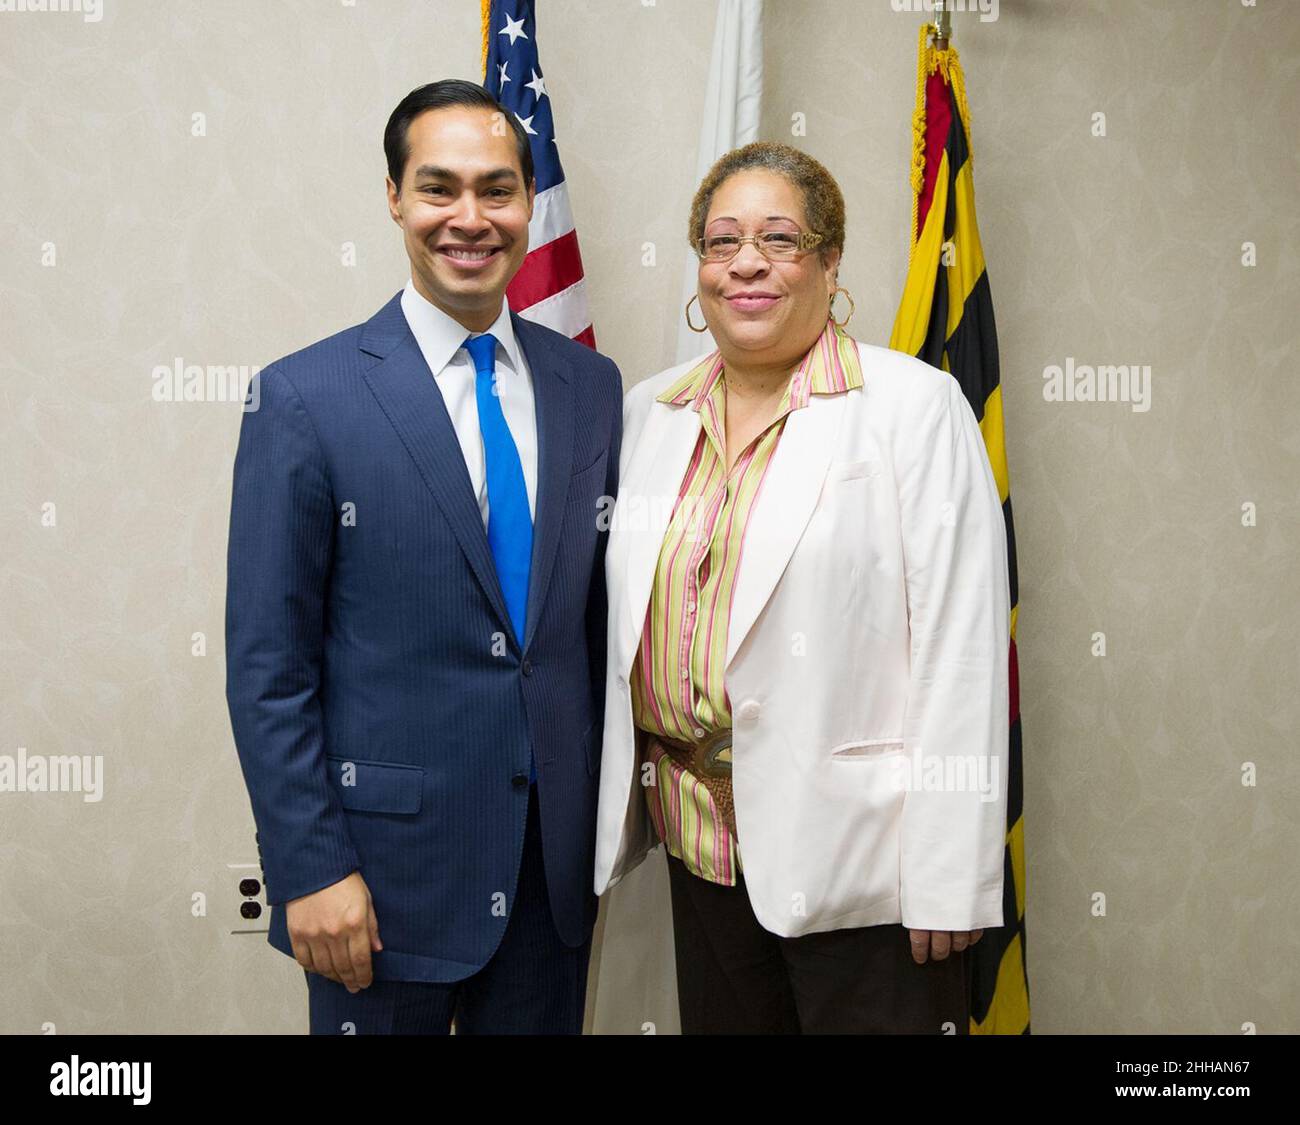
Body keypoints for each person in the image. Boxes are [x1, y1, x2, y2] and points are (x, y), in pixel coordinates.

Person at [225, 79, 622, 1034]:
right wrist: (310, 868)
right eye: (439, 188)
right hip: (375, 886)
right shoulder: (304, 396)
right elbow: (266, 665)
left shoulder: (592, 388)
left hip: (548, 885)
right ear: (395, 199)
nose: (470, 218)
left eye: (497, 189)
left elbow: (594, 628)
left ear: (531, 203)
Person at [593, 142, 1010, 1034]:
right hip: (698, 848)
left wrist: (949, 872)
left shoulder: (913, 407)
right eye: (721, 240)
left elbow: (963, 647)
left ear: (830, 262)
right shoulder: (644, 415)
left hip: (865, 865)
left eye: (780, 238)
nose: (746, 261)